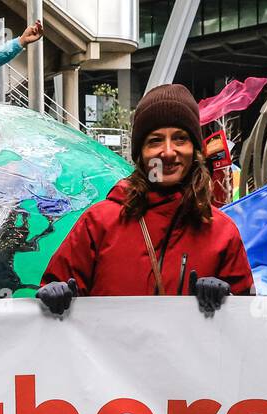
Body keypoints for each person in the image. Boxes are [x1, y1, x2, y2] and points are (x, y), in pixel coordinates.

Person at [36, 84, 254, 317]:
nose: (168, 152)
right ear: (140, 154)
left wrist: (229, 301)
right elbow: (54, 297)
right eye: (155, 140)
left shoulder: (223, 232)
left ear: (196, 150)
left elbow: (247, 323)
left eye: (180, 139)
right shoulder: (98, 223)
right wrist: (52, 295)